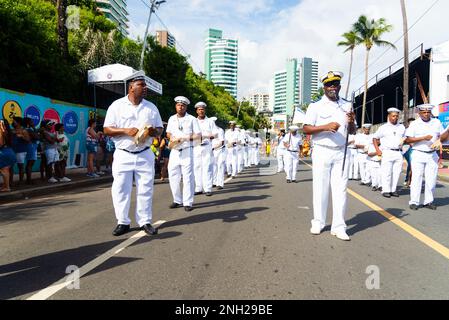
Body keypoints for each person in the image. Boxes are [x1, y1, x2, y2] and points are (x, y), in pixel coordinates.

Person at [103, 74, 163, 236]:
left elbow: (159, 129)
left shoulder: (151, 107)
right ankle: (123, 222)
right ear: (131, 87)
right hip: (123, 154)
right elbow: (107, 129)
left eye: (145, 85)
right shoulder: (117, 106)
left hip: (145, 154)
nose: (145, 88)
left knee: (145, 188)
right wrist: (125, 130)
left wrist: (153, 131)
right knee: (121, 189)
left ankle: (145, 221)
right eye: (141, 85)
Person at [303, 71, 356, 241]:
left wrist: (352, 121)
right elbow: (306, 128)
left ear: (339, 86)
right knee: (321, 188)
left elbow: (353, 131)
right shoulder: (316, 106)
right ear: (324, 87)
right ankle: (318, 222)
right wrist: (325, 126)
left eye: (335, 84)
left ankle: (339, 226)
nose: (332, 87)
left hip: (341, 151)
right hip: (322, 150)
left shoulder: (347, 105)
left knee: (341, 189)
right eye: (329, 85)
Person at [405, 104, 447, 211]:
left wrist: (441, 139)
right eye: (424, 112)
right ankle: (414, 201)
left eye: (428, 112)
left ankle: (428, 201)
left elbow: (443, 136)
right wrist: (423, 138)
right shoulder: (414, 124)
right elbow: (408, 140)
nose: (426, 114)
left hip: (432, 154)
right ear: (419, 113)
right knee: (416, 178)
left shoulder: (436, 122)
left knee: (431, 179)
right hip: (418, 153)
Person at [166, 96, 201, 212]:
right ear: (176, 106)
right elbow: (168, 133)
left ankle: (188, 202)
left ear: (186, 107)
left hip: (187, 150)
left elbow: (198, 135)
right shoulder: (172, 118)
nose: (180, 107)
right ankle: (177, 199)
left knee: (187, 177)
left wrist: (186, 138)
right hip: (175, 150)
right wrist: (172, 138)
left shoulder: (192, 119)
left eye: (183, 105)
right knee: (173, 176)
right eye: (178, 105)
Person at [373, 108, 406, 198]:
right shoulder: (383, 127)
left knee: (397, 172)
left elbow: (405, 138)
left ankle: (393, 190)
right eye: (393, 116)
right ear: (389, 116)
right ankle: (385, 190)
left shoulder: (401, 127)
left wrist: (404, 142)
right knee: (387, 172)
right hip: (387, 152)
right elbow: (375, 138)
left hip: (398, 152)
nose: (395, 118)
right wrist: (377, 150)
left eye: (396, 116)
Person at [193, 101, 216, 197]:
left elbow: (215, 134)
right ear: (196, 111)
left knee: (207, 167)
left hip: (206, 146)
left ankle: (207, 188)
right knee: (197, 167)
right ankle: (198, 188)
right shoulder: (193, 121)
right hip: (196, 146)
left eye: (202, 109)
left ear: (205, 110)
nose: (201, 111)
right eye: (199, 109)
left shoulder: (210, 121)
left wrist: (206, 136)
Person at [11, 117, 31, 185]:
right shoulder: (12, 130)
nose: (13, 122)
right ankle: (10, 182)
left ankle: (21, 181)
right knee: (10, 166)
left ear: (18, 122)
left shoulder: (24, 130)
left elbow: (28, 140)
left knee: (20, 166)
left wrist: (22, 136)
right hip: (12, 150)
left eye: (14, 121)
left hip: (21, 151)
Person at [0, 119, 16, 192]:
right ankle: (5, 185)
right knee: (6, 170)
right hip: (10, 151)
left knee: (4, 171)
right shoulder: (9, 132)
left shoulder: (2, 133)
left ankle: (7, 187)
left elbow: (1, 144)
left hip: (4, 153)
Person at [211, 117, 225, 190]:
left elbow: (222, 142)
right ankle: (214, 182)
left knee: (220, 166)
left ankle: (220, 183)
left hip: (220, 150)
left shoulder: (220, 130)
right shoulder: (209, 131)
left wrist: (214, 147)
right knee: (213, 166)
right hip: (212, 151)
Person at [24, 117, 39, 184]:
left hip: (33, 146)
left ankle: (29, 179)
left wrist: (34, 129)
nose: (33, 123)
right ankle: (29, 180)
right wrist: (35, 131)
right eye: (31, 121)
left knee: (31, 163)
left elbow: (37, 137)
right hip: (31, 146)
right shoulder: (28, 130)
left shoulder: (31, 129)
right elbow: (37, 137)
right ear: (28, 123)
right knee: (30, 163)